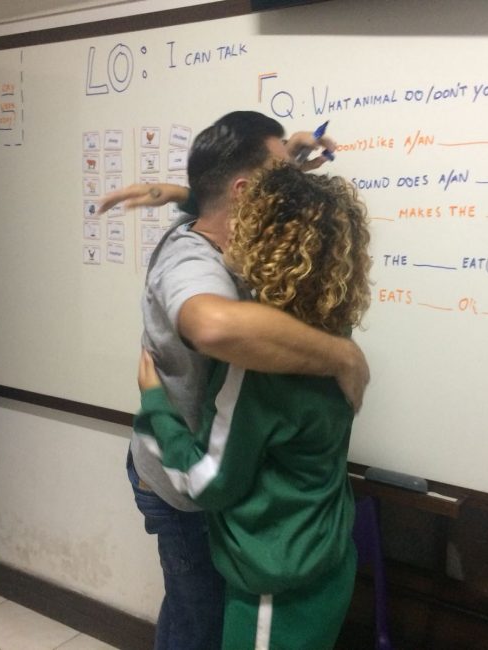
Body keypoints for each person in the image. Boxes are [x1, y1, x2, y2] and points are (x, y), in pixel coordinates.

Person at [107, 111, 370, 650]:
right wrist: (342, 355)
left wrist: (178, 189)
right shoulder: (191, 258)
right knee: (196, 623)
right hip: (183, 478)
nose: (292, 183)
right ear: (248, 191)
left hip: (223, 482)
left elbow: (225, 196)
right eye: (282, 175)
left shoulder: (250, 250)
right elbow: (213, 324)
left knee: (206, 620)